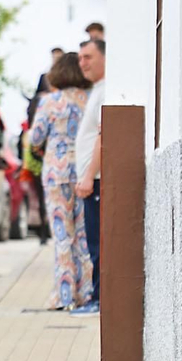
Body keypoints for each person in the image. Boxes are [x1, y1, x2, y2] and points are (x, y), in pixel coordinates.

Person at [26, 51, 94, 312]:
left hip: (56, 172)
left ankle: (65, 294)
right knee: (83, 233)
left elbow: (35, 137)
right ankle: (88, 290)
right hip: (85, 170)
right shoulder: (90, 99)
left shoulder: (50, 102)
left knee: (62, 235)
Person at [72, 38, 106, 315]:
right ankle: (96, 297)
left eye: (88, 57)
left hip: (95, 180)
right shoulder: (96, 90)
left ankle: (99, 299)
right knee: (93, 241)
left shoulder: (106, 90)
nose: (83, 63)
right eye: (81, 58)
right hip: (90, 178)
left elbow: (102, 137)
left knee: (97, 243)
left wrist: (88, 175)